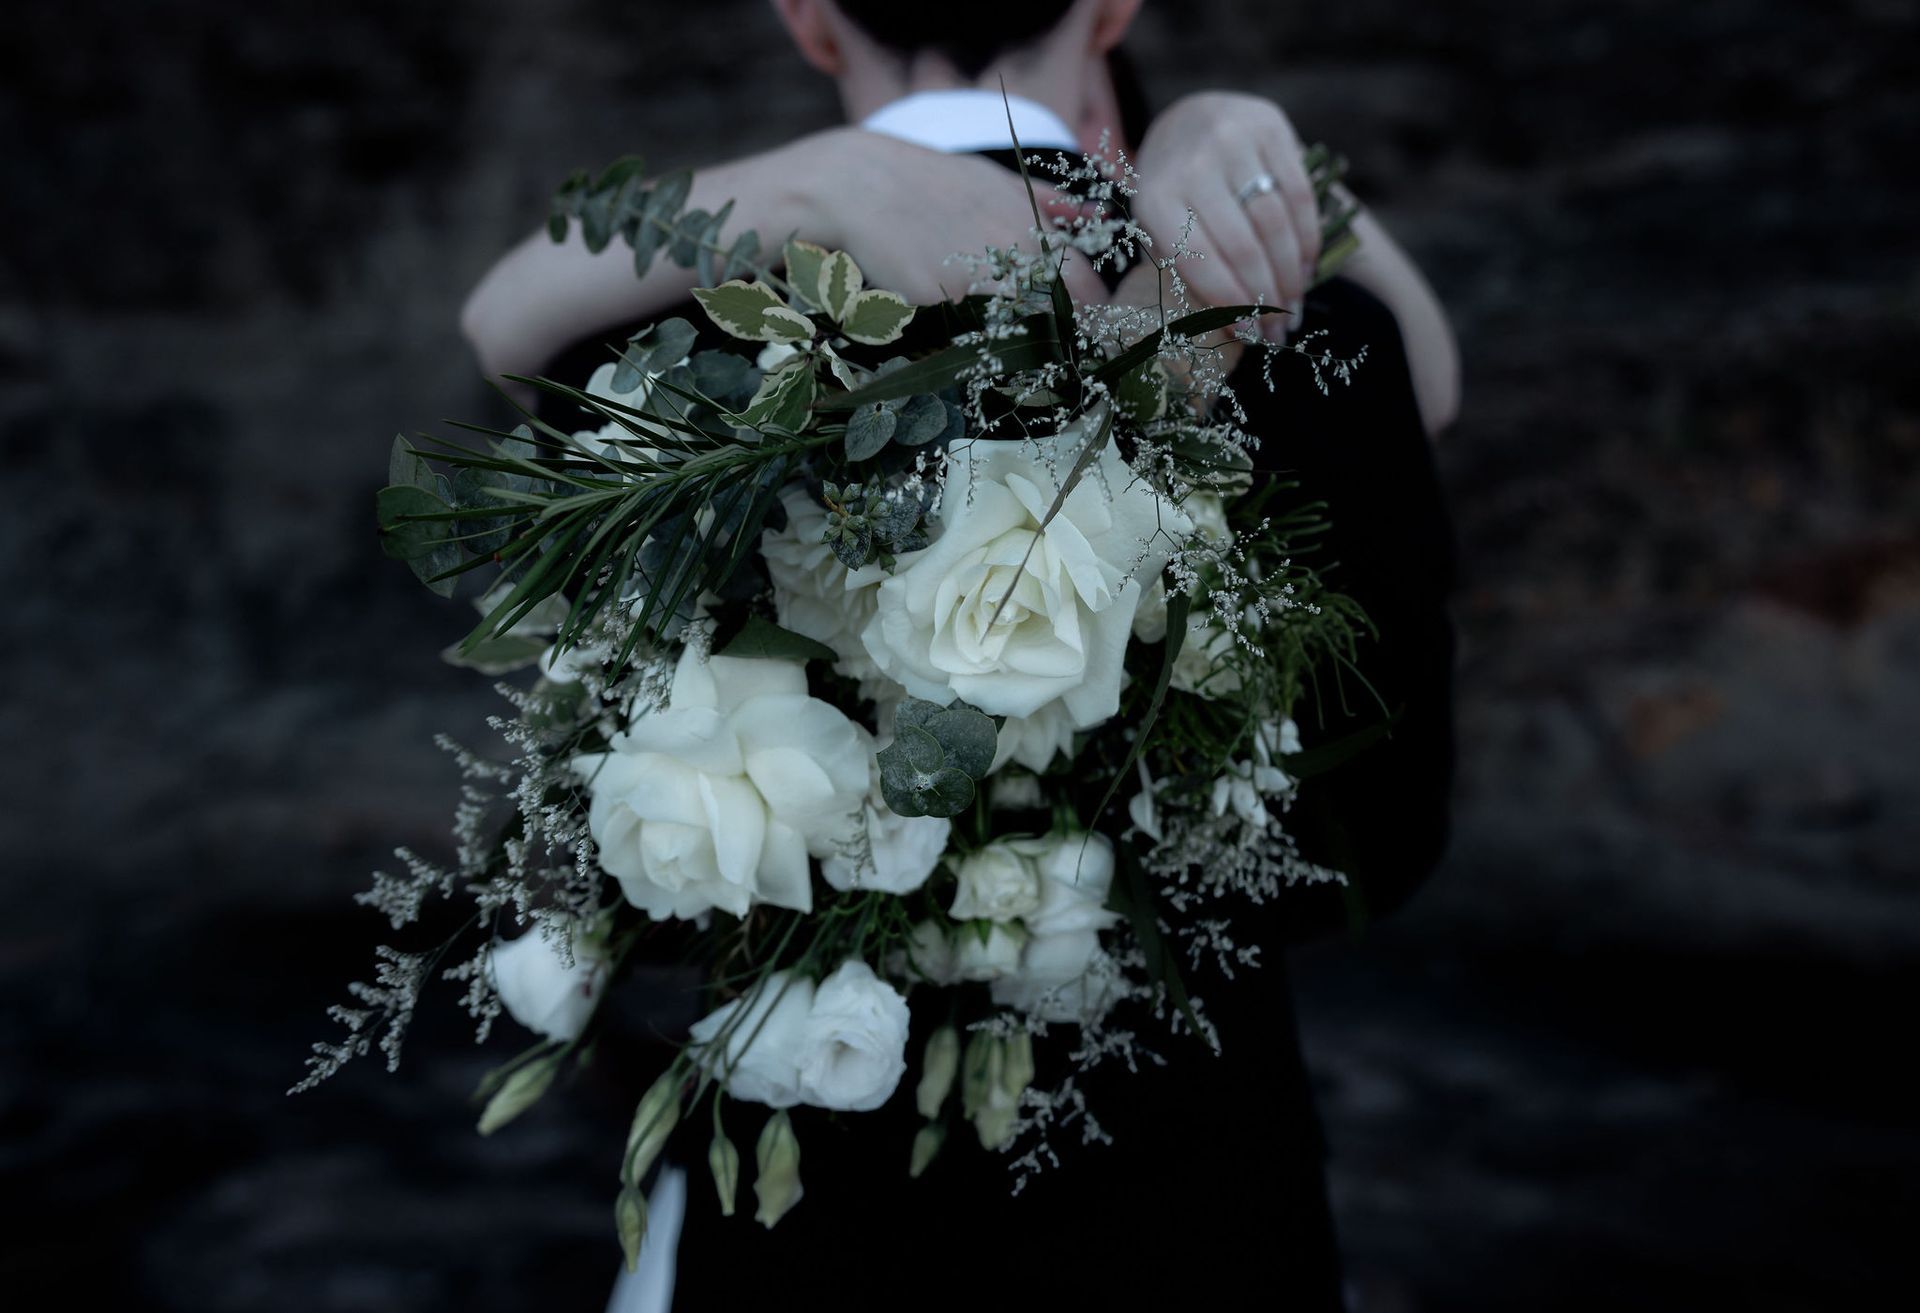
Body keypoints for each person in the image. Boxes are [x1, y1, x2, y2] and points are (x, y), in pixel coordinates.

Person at [461, 3, 1458, 1307]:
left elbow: (629, 859)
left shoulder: (649, 358)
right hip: (1197, 1223)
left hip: (813, 1235)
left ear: (810, 21)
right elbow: (1382, 839)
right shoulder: (1313, 335)